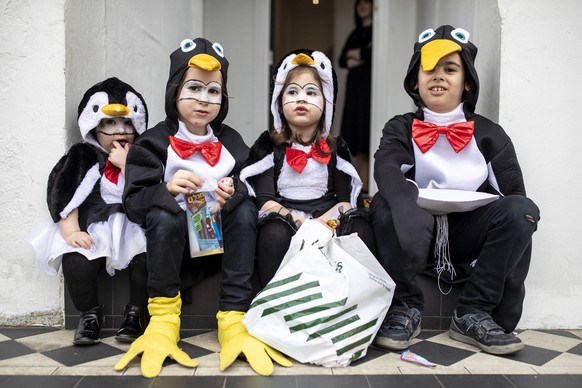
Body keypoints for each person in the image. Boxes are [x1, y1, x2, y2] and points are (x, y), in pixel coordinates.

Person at [113, 38, 292, 378]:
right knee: (162, 214)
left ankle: (233, 319)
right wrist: (164, 189)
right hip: (173, 246)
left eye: (214, 92)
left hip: (218, 243)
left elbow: (251, 187)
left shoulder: (231, 141)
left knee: (242, 210)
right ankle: (164, 321)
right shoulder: (152, 142)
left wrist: (233, 191)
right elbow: (134, 202)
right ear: (174, 91)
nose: (203, 100)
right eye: (194, 88)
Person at [370, 25, 540, 355]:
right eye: (429, 68)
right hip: (413, 236)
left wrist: (510, 295)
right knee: (383, 201)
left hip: (467, 238)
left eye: (450, 69)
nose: (438, 76)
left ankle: (472, 312)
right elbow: (386, 169)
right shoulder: (400, 127)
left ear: (468, 83)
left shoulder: (491, 135)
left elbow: (516, 204)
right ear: (414, 81)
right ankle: (405, 306)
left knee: (523, 208)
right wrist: (409, 209)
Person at [26, 77, 149, 345]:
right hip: (95, 224)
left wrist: (130, 165)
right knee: (76, 261)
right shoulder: (84, 155)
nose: (120, 130)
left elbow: (152, 187)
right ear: (94, 126)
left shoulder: (143, 155)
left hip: (133, 224)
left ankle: (135, 313)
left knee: (147, 260)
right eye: (110, 123)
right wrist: (71, 231)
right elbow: (66, 191)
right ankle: (90, 314)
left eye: (127, 123)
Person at [240, 48, 375, 288]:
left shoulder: (336, 148)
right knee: (274, 233)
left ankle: (355, 300)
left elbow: (345, 201)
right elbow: (265, 201)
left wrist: (322, 223)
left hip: (326, 218)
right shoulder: (268, 146)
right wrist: (298, 222)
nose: (301, 99)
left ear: (326, 104)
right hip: (284, 218)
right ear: (280, 103)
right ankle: (275, 303)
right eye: (292, 92)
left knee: (360, 226)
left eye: (311, 93)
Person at [339, 0, 373, 195]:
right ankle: (358, 185)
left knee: (364, 135)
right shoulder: (355, 34)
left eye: (366, 2)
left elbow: (371, 53)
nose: (362, 6)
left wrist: (357, 55)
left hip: (368, 90)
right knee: (353, 135)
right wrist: (361, 54)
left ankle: (366, 187)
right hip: (354, 89)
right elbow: (343, 59)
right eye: (359, 3)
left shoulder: (376, 31)